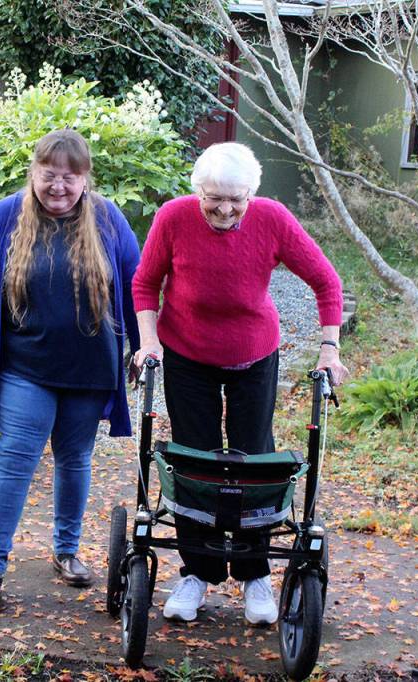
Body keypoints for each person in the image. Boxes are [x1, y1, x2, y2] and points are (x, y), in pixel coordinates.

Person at [131, 142, 348, 626]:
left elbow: (326, 281)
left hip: (254, 354)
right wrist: (149, 342)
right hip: (186, 352)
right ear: (197, 191)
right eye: (214, 198)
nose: (226, 209)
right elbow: (145, 283)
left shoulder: (272, 218)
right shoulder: (173, 218)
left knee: (253, 459)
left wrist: (329, 348)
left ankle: (255, 577)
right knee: (195, 459)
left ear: (252, 193)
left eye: (237, 198)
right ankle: (197, 573)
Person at [0, 129, 141, 611]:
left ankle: (66, 552)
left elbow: (136, 284)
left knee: (75, 460)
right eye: (49, 175)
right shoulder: (5, 217)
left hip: (89, 369)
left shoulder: (106, 218)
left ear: (85, 178)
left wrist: (144, 349)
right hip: (25, 367)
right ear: (33, 172)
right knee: (16, 458)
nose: (58, 186)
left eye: (69, 176)